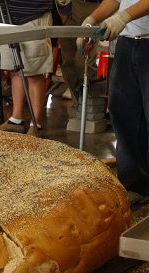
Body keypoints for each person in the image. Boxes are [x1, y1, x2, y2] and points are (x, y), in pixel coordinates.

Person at [78, 0, 149, 197]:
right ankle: (134, 185)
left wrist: (123, 16)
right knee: (123, 114)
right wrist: (91, 21)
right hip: (127, 42)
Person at [0, 0, 54, 136]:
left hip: (34, 13)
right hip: (8, 17)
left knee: (34, 71)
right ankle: (16, 119)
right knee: (15, 69)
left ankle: (36, 123)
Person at [56, 0, 101, 106]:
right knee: (68, 64)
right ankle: (78, 105)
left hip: (94, 8)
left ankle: (91, 105)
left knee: (83, 62)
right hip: (73, 11)